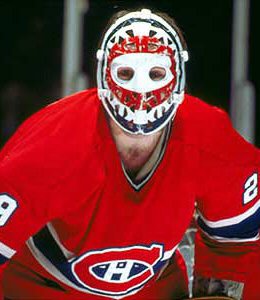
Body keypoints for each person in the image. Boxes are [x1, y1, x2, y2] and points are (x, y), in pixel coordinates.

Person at [0, 7, 259, 300]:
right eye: (125, 73)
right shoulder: (49, 148)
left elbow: (236, 245)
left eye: (156, 73)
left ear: (177, 78)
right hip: (41, 288)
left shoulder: (211, 140)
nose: (140, 91)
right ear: (104, 76)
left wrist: (223, 292)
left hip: (154, 288)